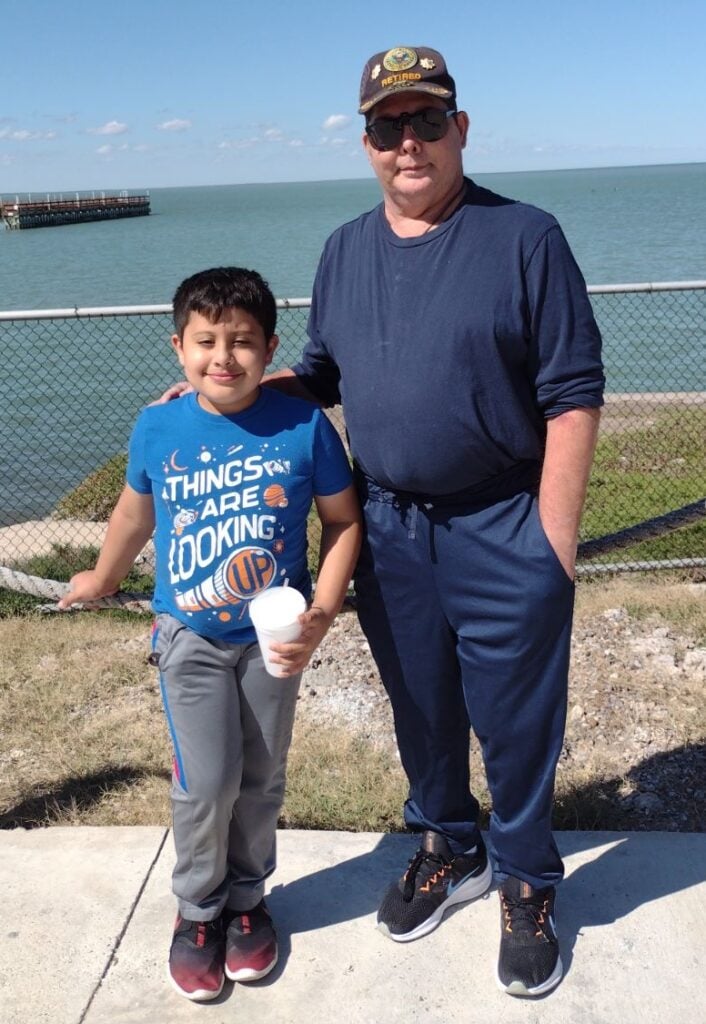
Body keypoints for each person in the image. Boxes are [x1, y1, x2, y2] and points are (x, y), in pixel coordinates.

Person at [263, 46, 605, 997]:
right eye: (386, 126)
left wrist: (554, 543)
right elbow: (323, 373)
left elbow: (573, 393)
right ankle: (452, 847)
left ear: (460, 129)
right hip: (387, 527)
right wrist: (240, 389)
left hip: (503, 521)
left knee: (516, 722)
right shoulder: (343, 248)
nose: (406, 142)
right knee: (422, 710)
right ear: (366, 141)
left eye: (425, 121)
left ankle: (529, 878)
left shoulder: (526, 236)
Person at [59, 267, 361, 1002]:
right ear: (178, 347)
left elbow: (342, 521)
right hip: (188, 636)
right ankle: (198, 911)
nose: (223, 358)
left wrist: (320, 612)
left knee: (261, 779)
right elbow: (135, 516)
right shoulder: (157, 425)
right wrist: (101, 577)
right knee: (207, 782)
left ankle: (249, 900)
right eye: (206, 342)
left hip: (274, 641)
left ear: (271, 349)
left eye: (242, 342)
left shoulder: (305, 426)